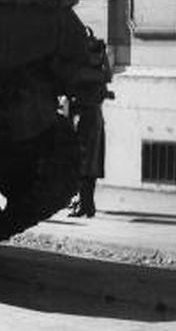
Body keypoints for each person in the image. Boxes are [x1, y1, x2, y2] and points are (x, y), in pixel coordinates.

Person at [69, 36, 114, 218]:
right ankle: (87, 204)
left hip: (85, 117)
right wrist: (103, 58)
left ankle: (85, 204)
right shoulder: (97, 73)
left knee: (83, 162)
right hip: (92, 116)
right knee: (89, 163)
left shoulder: (85, 72)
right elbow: (107, 77)